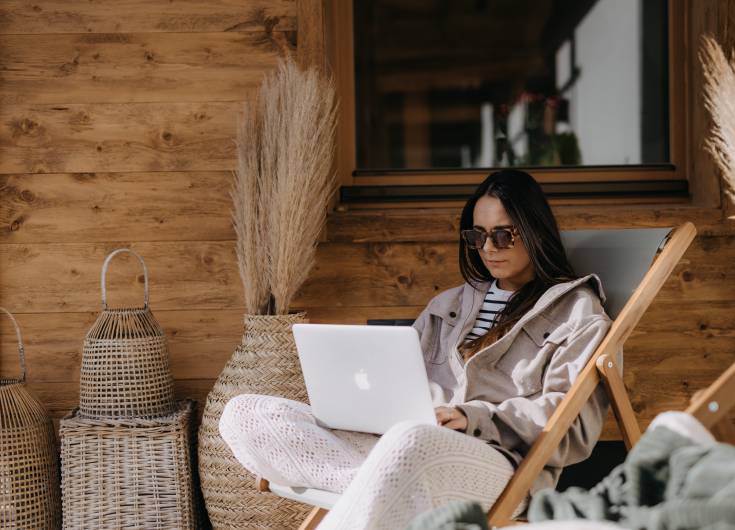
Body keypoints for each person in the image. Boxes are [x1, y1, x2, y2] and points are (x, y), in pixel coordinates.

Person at [219, 169, 615, 530]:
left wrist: (469, 416)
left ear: (534, 232)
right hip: (404, 445)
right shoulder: (450, 305)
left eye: (503, 234)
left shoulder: (578, 314)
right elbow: (397, 381)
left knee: (410, 440)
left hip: (497, 462)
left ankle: (388, 480)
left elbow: (573, 425)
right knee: (246, 413)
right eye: (477, 236)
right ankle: (386, 483)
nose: (488, 248)